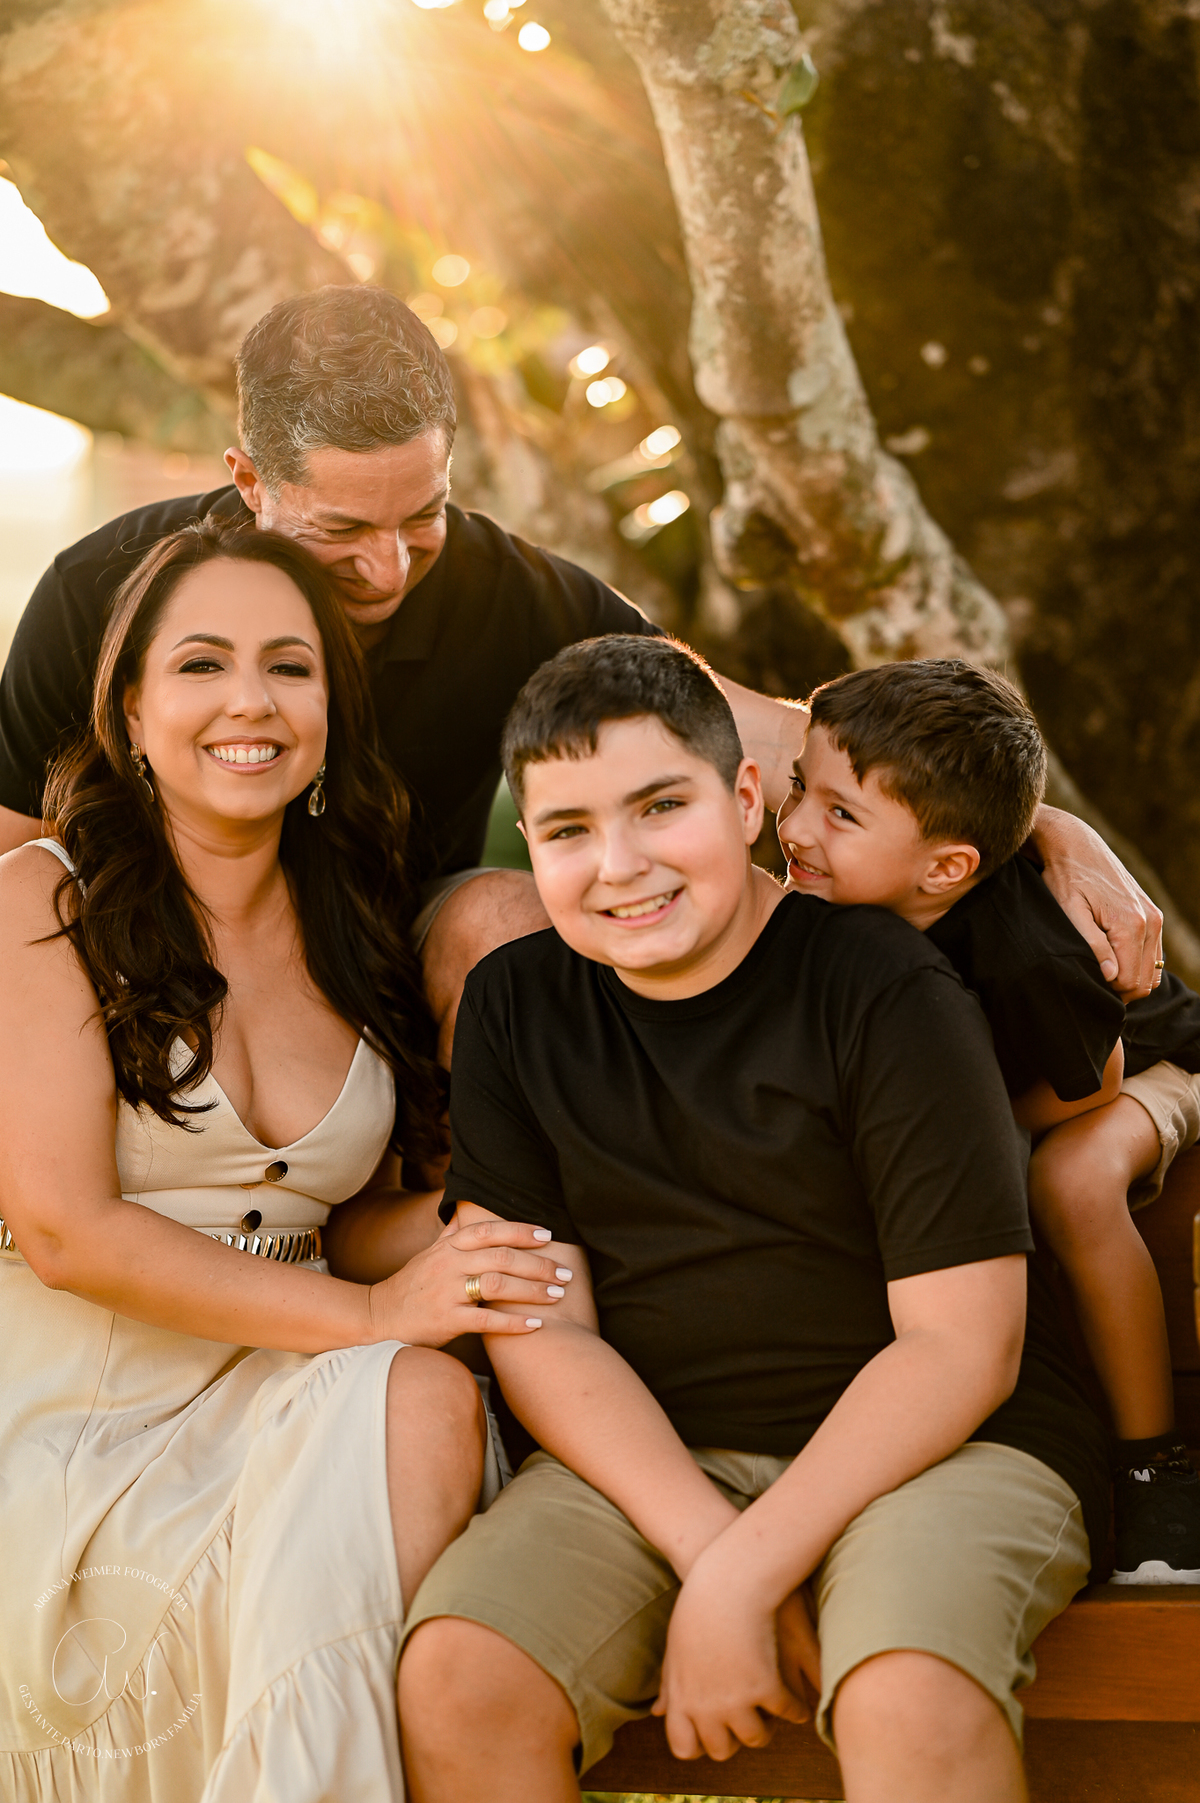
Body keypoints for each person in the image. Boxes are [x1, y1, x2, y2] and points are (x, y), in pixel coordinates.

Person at [0, 286, 1166, 1058]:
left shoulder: (511, 592)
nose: (388, 568)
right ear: (249, 481)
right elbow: (14, 852)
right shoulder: (102, 590)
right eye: (340, 530)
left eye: (423, 516)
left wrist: (1040, 826)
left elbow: (771, 736)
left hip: (391, 957)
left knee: (504, 916)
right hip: (153, 951)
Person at [396, 634, 1109, 1803]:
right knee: (462, 1678)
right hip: (660, 1455)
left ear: (742, 800)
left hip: (947, 1445)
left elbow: (961, 1347)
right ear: (530, 841)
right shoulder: (516, 1007)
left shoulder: (884, 984)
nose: (619, 865)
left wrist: (740, 1579)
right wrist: (714, 1554)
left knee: (907, 1693)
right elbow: (544, 1324)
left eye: (659, 807)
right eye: (569, 829)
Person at [0, 517, 574, 1801]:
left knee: (422, 1394)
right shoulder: (43, 899)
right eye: (202, 664)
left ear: (330, 709)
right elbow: (64, 1230)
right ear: (131, 711)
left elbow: (349, 1219)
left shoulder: (353, 914)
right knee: (407, 1383)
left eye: (290, 667)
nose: (250, 701)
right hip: (85, 1404)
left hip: (291, 1386)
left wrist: (487, 1225)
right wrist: (374, 1313)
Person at [775, 658, 1200, 1585]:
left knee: (1071, 1181)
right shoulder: (840, 893)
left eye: (840, 813)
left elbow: (1090, 1084)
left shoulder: (1028, 954)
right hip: (1017, 1072)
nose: (797, 825)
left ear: (947, 869)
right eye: (802, 787)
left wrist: (956, 1124)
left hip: (1147, 1061)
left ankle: (1154, 1460)